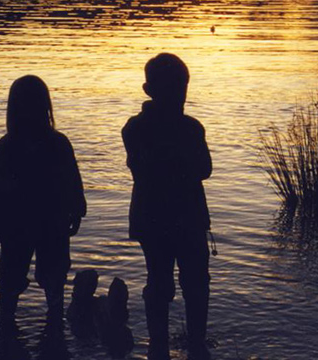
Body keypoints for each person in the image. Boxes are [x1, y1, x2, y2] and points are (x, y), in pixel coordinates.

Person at [122, 53, 212, 360]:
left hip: (156, 219)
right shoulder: (186, 128)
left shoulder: (136, 128)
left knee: (167, 281)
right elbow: (203, 169)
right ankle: (185, 344)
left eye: (183, 86)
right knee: (190, 282)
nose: (181, 94)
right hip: (177, 219)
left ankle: (164, 345)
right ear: (149, 90)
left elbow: (201, 169)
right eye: (176, 87)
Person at [0, 75, 86, 333]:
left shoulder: (6, 148)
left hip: (21, 223)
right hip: (48, 222)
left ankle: (8, 326)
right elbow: (74, 182)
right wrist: (77, 209)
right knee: (49, 275)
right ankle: (52, 325)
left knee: (13, 274)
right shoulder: (56, 143)